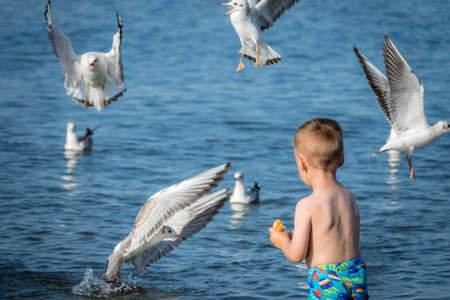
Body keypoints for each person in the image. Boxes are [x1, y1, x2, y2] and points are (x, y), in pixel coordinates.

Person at [269, 118, 368, 299]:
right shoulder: (348, 196)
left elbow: (296, 255)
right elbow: (335, 240)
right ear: (342, 158)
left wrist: (282, 241)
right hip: (356, 274)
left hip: (327, 279)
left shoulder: (306, 205)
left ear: (301, 163)